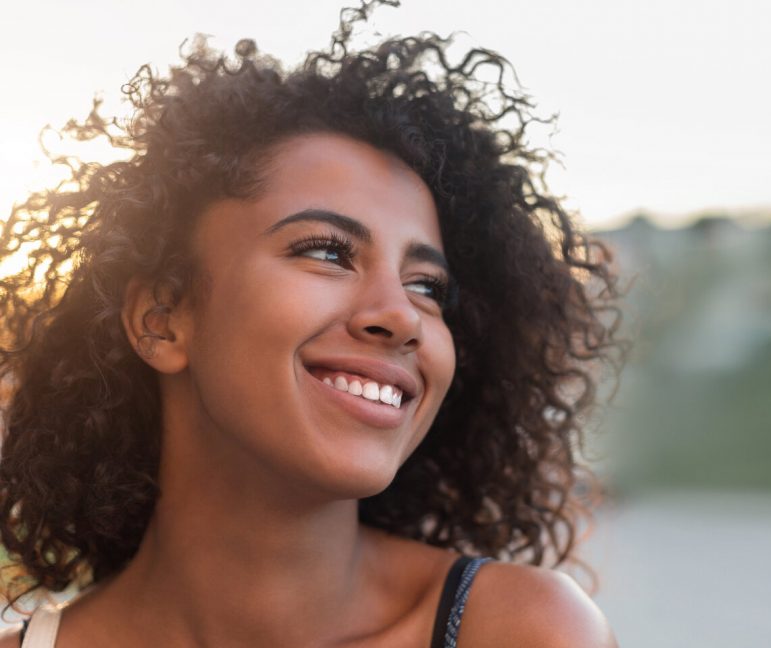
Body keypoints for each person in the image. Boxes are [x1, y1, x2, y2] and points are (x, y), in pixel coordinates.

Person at [0, 1, 624, 646]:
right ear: (162, 320)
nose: (401, 316)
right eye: (328, 252)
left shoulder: (519, 631)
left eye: (427, 286)